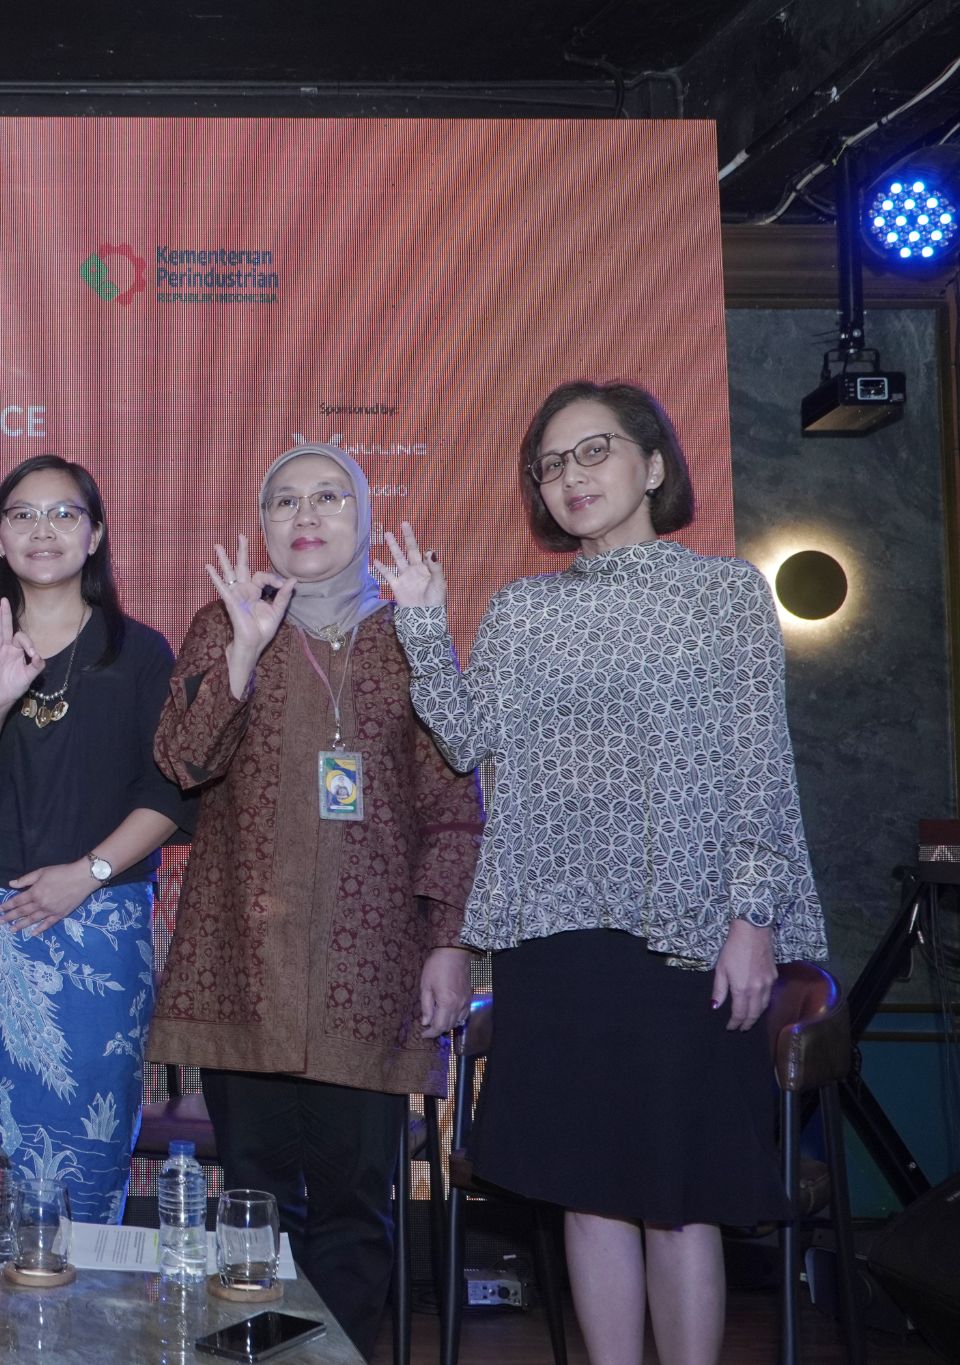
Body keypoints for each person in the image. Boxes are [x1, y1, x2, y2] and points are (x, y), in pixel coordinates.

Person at [376, 381, 827, 1365]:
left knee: (676, 1198)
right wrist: (422, 625)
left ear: (652, 466)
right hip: (554, 938)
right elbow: (464, 738)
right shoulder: (521, 609)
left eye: (593, 451)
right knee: (586, 1193)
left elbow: (759, 765)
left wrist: (753, 917)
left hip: (685, 934)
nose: (569, 476)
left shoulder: (724, 594)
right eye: (550, 464)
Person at [150, 442, 482, 1355]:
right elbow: (182, 760)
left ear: (363, 516)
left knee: (353, 1206)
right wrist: (243, 653)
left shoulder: (411, 631)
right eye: (285, 500)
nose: (307, 514)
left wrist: (450, 942)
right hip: (244, 964)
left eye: (329, 496)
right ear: (262, 524)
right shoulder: (224, 622)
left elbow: (455, 804)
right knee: (253, 1203)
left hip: (368, 970)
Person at [0, 455, 190, 1224]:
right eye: (23, 515)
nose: (43, 530)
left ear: (95, 534)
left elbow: (169, 792)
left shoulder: (141, 651)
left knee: (89, 1128)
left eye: (64, 513)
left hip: (98, 919)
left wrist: (88, 872)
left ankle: (85, 1293)